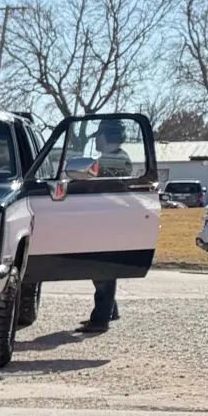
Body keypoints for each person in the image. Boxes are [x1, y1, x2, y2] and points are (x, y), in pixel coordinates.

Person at [80, 118, 134, 329]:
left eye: (98, 136)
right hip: (107, 219)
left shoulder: (114, 161)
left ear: (106, 136)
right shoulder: (115, 159)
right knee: (102, 269)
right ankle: (110, 310)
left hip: (108, 221)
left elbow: (97, 187)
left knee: (102, 269)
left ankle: (100, 318)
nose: (96, 141)